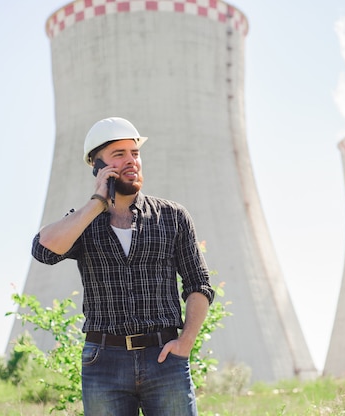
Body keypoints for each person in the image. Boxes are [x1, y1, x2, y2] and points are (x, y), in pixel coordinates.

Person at [31, 116, 214, 415]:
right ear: (98, 167)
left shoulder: (173, 216)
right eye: (119, 155)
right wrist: (96, 203)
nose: (132, 161)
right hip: (103, 362)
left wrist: (186, 342)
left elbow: (199, 284)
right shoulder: (83, 223)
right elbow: (43, 250)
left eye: (135, 153)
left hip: (164, 358)